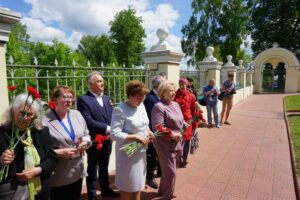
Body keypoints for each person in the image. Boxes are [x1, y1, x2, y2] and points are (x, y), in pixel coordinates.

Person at [0, 93, 57, 200]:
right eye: (22, 113)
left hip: (41, 189)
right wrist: (2, 159)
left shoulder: (41, 131)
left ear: (35, 116)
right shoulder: (3, 133)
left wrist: (38, 170)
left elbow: (52, 158)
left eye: (30, 114)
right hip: (14, 191)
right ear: (13, 111)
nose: (25, 118)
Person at [43, 86, 90, 200]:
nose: (69, 100)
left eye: (71, 97)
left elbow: (86, 134)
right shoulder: (44, 120)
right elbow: (41, 149)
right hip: (59, 173)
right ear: (55, 99)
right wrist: (58, 152)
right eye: (64, 96)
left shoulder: (77, 114)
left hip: (77, 169)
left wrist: (85, 142)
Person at [77, 72, 119, 199]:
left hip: (107, 139)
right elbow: (87, 120)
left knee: (104, 166)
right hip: (94, 140)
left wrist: (114, 128)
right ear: (90, 84)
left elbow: (111, 115)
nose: (102, 83)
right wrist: (106, 128)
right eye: (99, 81)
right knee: (92, 168)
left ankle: (106, 190)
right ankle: (92, 194)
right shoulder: (84, 99)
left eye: (102, 81)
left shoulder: (106, 98)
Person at [110, 80, 152, 200]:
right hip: (127, 154)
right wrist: (135, 137)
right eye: (138, 98)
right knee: (127, 185)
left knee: (138, 183)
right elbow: (114, 134)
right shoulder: (120, 110)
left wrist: (149, 132)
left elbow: (144, 124)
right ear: (130, 95)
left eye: (142, 98)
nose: (140, 101)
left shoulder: (141, 106)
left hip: (140, 152)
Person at [151, 81, 184, 200]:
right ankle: (167, 196)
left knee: (170, 171)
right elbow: (158, 127)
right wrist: (173, 135)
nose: (174, 92)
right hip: (164, 144)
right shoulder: (158, 106)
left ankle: (162, 191)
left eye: (174, 90)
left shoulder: (175, 104)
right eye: (171, 90)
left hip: (178, 142)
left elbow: (180, 119)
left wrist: (184, 124)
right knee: (171, 172)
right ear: (162, 92)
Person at [143, 74, 165, 189]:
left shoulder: (160, 96)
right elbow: (148, 117)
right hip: (153, 132)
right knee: (151, 155)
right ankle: (150, 177)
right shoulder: (150, 98)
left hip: (160, 131)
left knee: (158, 154)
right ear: (158, 85)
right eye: (164, 83)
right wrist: (151, 133)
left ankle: (160, 172)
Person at [174, 78, 197, 167]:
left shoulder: (191, 96)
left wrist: (195, 124)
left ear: (186, 85)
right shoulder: (175, 95)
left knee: (187, 141)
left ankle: (185, 159)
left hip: (188, 122)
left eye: (183, 84)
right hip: (177, 122)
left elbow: (193, 111)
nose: (182, 86)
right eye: (180, 84)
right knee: (178, 141)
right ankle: (178, 159)